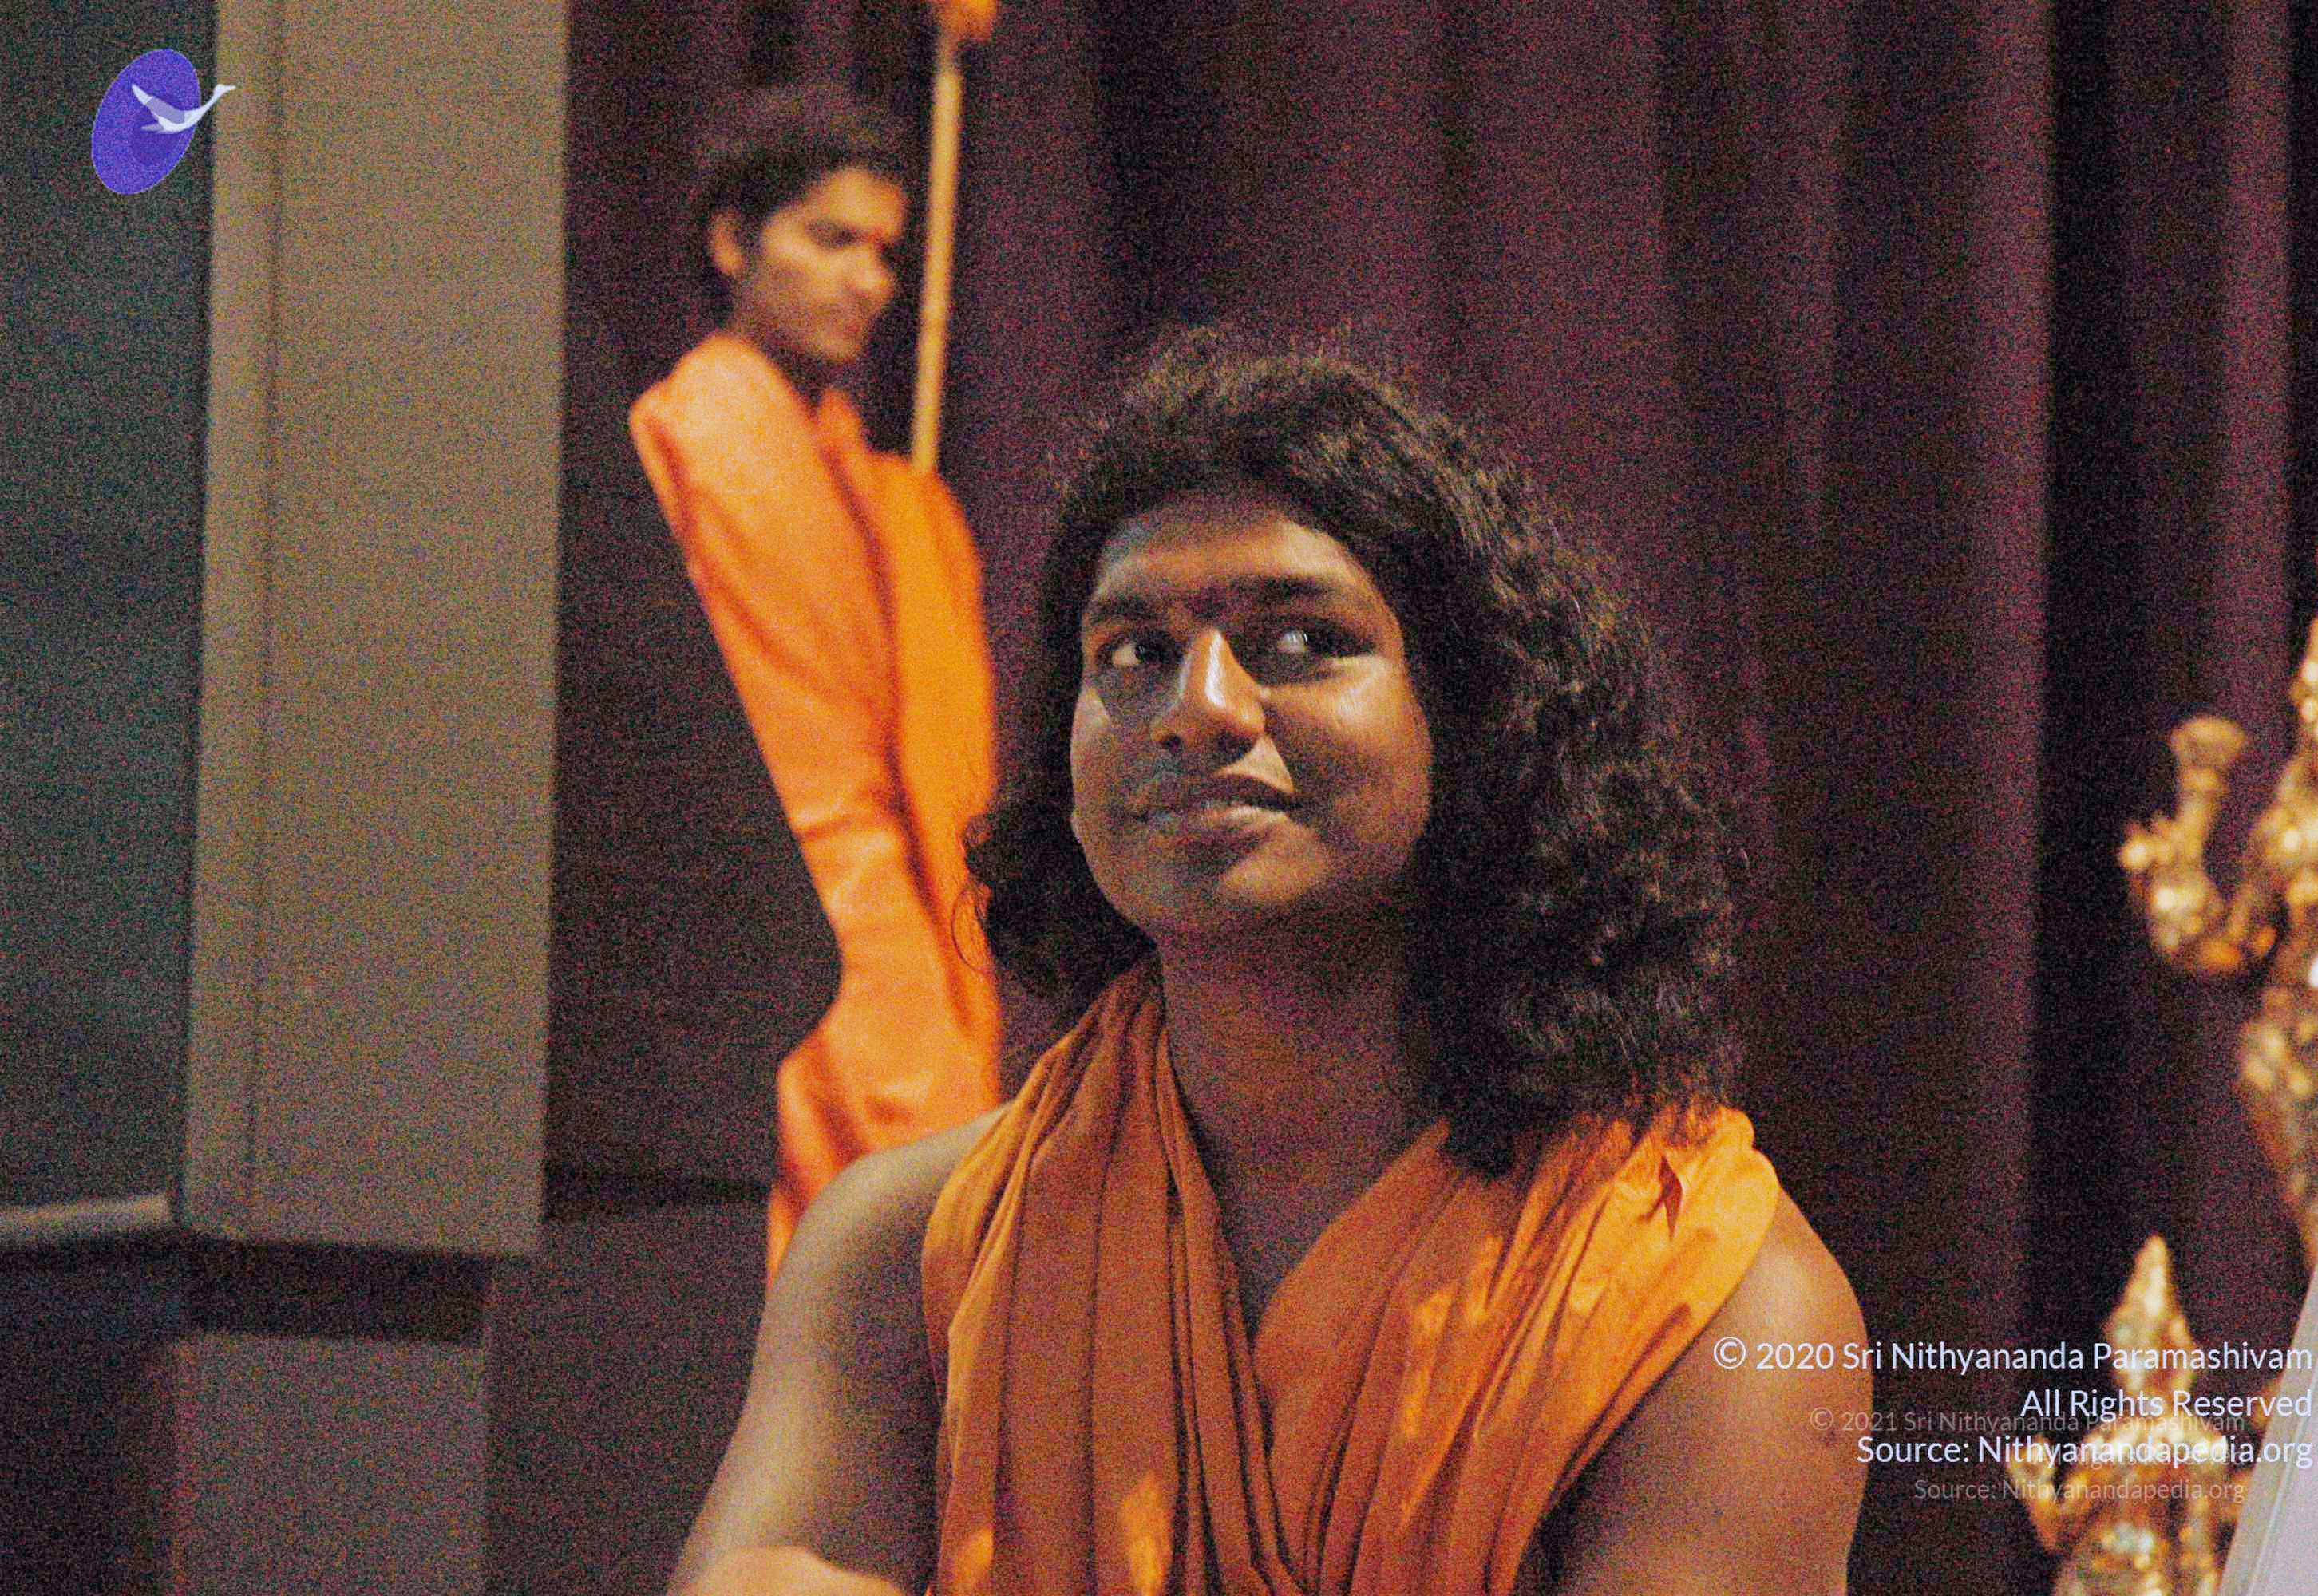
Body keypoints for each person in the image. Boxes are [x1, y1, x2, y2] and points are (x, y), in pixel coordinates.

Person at [666, 337, 1869, 1595]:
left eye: (1299, 640)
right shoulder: (907, 1254)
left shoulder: (1710, 1300)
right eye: (1133, 653)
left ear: (1477, 721)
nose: (1198, 709)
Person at [630, 80, 1000, 1277]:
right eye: (831, 239)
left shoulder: (880, 485)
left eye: (885, 251)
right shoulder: (680, 436)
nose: (869, 282)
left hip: (905, 900)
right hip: (770, 906)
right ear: (733, 241)